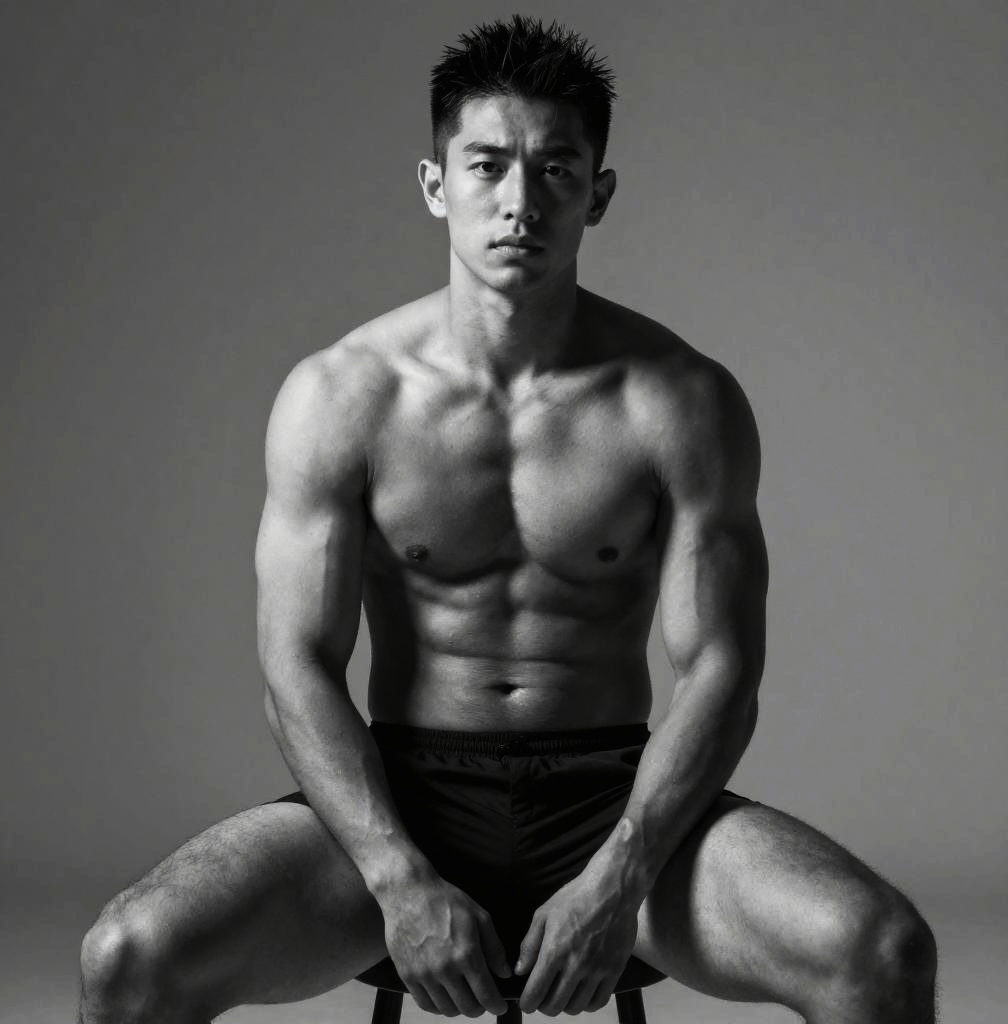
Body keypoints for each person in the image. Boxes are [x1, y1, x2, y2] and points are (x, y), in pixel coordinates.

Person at [78, 16, 937, 1024]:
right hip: (399, 804)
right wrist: (398, 878)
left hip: (616, 804)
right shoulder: (342, 398)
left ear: (597, 192)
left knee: (877, 951)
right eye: (487, 166)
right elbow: (296, 665)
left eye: (556, 169)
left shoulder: (676, 400)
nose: (520, 203)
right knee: (130, 956)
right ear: (436, 183)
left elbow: (720, 668)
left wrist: (619, 874)